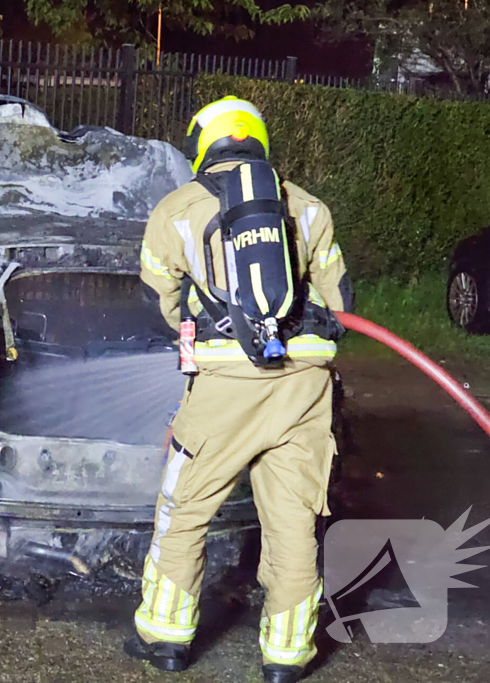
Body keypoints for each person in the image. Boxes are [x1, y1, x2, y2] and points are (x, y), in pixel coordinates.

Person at [125, 96, 354, 682]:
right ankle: (286, 657)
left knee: (185, 509)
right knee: (295, 521)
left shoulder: (178, 209)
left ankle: (166, 637)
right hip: (304, 385)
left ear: (205, 143)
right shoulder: (307, 207)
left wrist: (192, 326)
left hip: (226, 382)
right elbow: (340, 302)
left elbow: (161, 298)